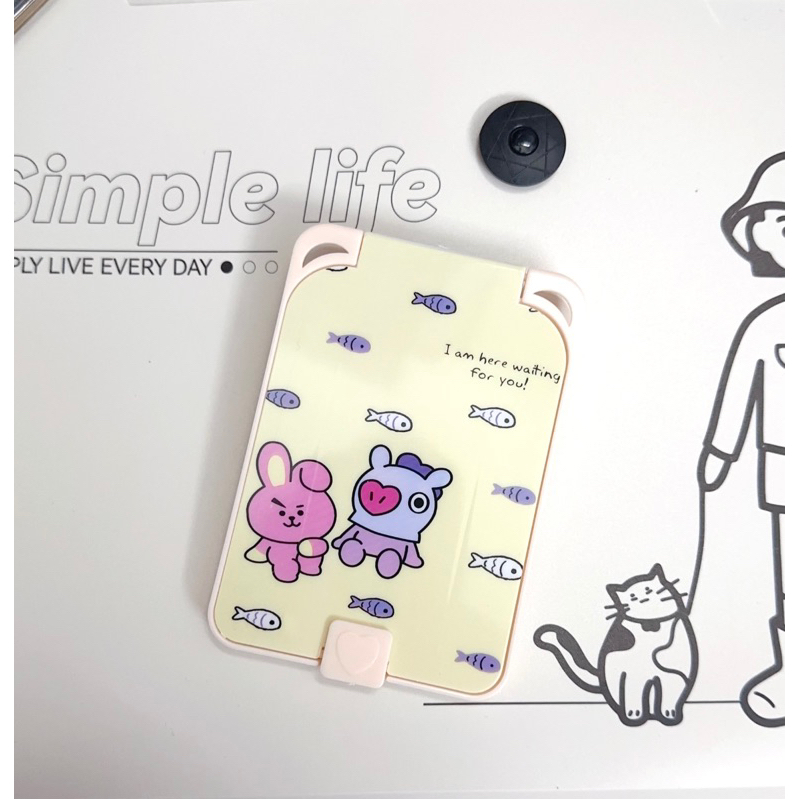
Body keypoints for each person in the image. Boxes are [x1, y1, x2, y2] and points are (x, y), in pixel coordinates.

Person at [698, 153, 785, 727]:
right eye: (777, 221)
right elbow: (738, 391)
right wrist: (720, 454)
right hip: (783, 467)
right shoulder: (768, 321)